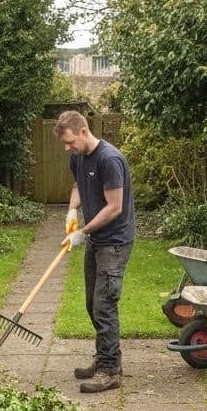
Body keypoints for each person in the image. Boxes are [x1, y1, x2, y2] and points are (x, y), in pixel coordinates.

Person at [55, 110, 135, 393]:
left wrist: (83, 232)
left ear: (84, 131)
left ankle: (110, 370)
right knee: (92, 302)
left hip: (114, 240)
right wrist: (71, 211)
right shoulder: (77, 157)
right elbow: (78, 185)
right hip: (96, 239)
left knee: (105, 303)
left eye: (70, 142)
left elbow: (114, 206)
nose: (68, 148)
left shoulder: (110, 159)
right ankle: (106, 357)